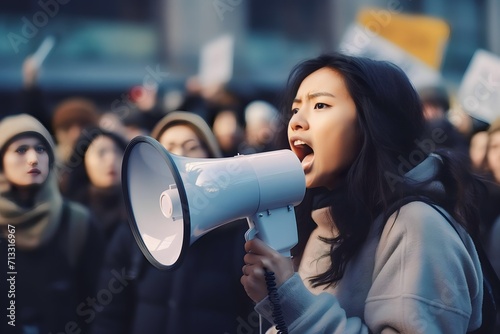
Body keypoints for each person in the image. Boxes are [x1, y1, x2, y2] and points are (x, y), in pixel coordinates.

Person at [240, 53, 486, 333]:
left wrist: (292, 302)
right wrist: (278, 302)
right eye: (295, 110)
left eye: (320, 105)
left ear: (371, 123)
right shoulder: (326, 224)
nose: (296, 122)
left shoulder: (416, 224)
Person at [90, 111, 257, 334]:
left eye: (191, 147)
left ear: (211, 156)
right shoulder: (132, 229)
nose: (178, 155)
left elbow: (254, 311)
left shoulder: (237, 231)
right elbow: (109, 315)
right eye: (168, 147)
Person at [0, 114, 104, 334]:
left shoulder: (78, 221)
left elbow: (97, 305)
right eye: (20, 150)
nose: (33, 159)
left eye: (41, 149)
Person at [62, 126, 129, 244]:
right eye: (101, 153)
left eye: (117, 152)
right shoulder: (68, 217)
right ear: (84, 163)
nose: (111, 159)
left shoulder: (139, 212)